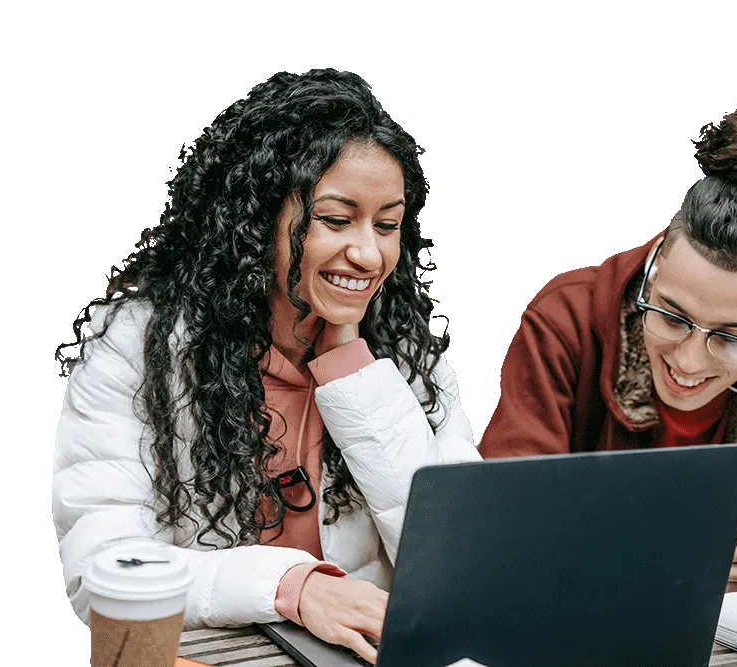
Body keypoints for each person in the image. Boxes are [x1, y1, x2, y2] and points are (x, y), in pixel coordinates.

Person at [53, 69, 480, 664]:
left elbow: (463, 568)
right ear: (258, 222)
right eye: (336, 219)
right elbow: (102, 569)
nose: (368, 252)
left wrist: (353, 371)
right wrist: (293, 587)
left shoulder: (407, 358)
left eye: (387, 226)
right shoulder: (141, 347)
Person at [478, 90, 737, 593]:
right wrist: (672, 543)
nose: (690, 361)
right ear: (653, 271)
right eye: (672, 317)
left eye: (734, 339)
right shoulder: (566, 322)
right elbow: (504, 519)